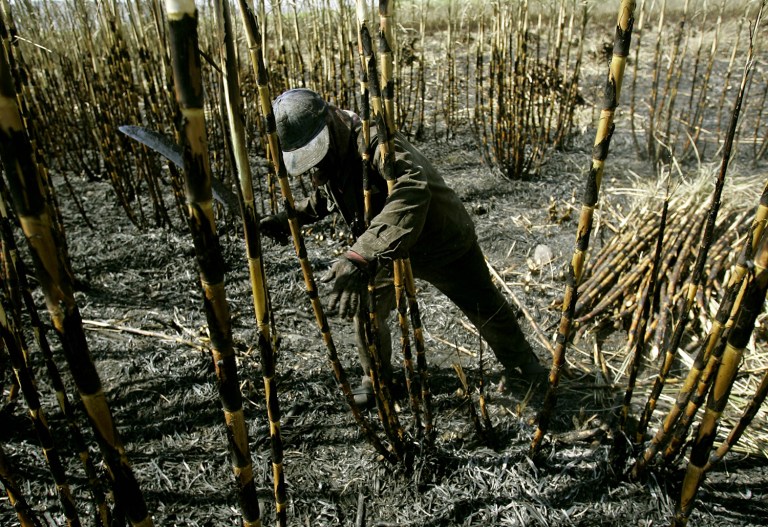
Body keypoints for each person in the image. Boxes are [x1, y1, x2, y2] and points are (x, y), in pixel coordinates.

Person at [260, 88, 547, 406]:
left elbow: (411, 189)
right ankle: (378, 380)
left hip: (437, 235)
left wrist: (358, 255)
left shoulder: (373, 140)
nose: (316, 169)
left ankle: (527, 371)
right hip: (384, 244)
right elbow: (328, 194)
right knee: (367, 309)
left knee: (483, 306)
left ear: (331, 119)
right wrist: (290, 218)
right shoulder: (334, 149)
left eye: (317, 153)